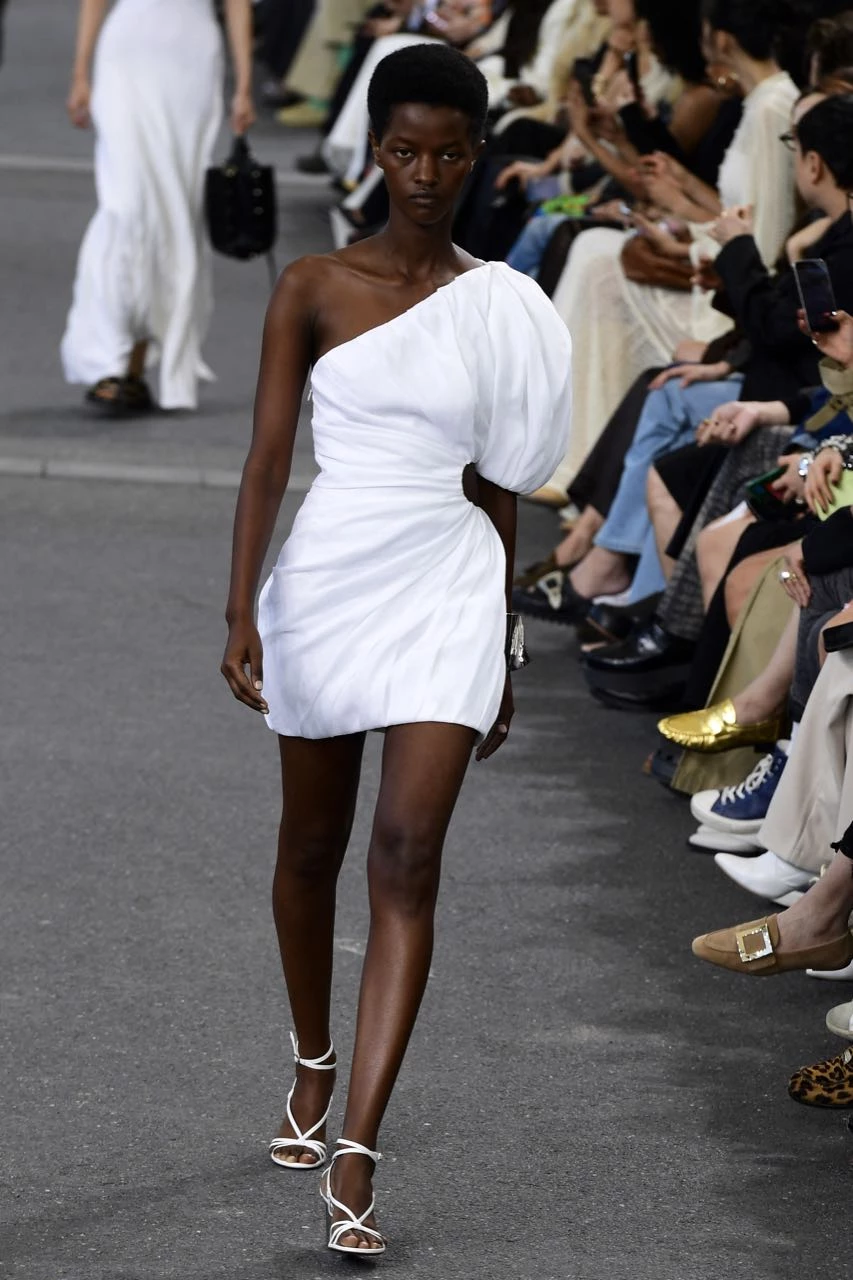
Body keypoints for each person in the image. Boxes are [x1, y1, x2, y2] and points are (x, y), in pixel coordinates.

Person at [220, 43, 571, 1257]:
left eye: (449, 153)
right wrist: (239, 607)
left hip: (448, 586)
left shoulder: (503, 304)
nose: (426, 174)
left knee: (405, 855)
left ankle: (358, 1146)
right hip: (327, 581)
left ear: (479, 155)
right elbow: (268, 459)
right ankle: (311, 1058)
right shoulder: (313, 284)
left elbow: (500, 483)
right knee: (309, 847)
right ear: (377, 151)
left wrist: (507, 643)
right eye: (406, 151)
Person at [61, 0, 255, 415]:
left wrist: (243, 86)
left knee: (173, 216)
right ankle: (108, 358)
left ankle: (131, 366)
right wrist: (80, 73)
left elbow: (238, 6)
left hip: (191, 64)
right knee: (126, 208)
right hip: (126, 55)